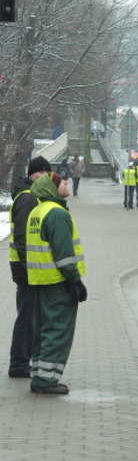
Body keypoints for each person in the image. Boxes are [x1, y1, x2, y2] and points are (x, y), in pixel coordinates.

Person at [27, 171, 87, 395]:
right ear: (51, 189)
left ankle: (39, 374)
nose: (66, 183)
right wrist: (76, 281)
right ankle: (47, 380)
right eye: (61, 182)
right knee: (58, 329)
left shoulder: (37, 211)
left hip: (40, 280)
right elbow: (64, 253)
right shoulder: (57, 214)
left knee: (43, 328)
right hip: (58, 281)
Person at [7, 155, 51, 378]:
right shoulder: (27, 199)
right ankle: (19, 364)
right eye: (42, 173)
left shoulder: (31, 196)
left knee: (29, 316)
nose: (45, 177)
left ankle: (24, 361)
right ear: (34, 174)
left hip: (27, 267)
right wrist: (29, 266)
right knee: (27, 317)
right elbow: (24, 237)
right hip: (26, 268)